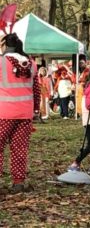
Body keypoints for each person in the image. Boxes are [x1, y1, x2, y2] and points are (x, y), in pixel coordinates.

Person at [0, 33, 40, 192]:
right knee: (19, 148)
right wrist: (36, 108)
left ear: (5, 46)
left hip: (4, 113)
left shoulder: (1, 62)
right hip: (25, 113)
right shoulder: (31, 63)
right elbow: (36, 90)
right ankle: (18, 182)